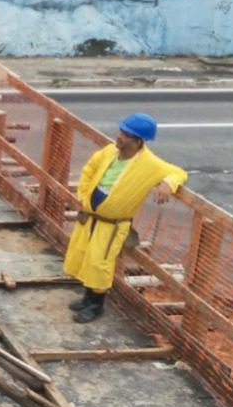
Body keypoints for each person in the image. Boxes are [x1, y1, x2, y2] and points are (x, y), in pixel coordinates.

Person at [63, 112, 187, 323]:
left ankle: (96, 304)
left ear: (137, 141)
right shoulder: (110, 152)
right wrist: (83, 194)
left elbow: (178, 173)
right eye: (121, 131)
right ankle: (87, 297)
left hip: (111, 224)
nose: (118, 136)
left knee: (99, 262)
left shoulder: (150, 164)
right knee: (84, 254)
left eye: (125, 134)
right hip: (91, 215)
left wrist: (168, 184)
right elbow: (90, 168)